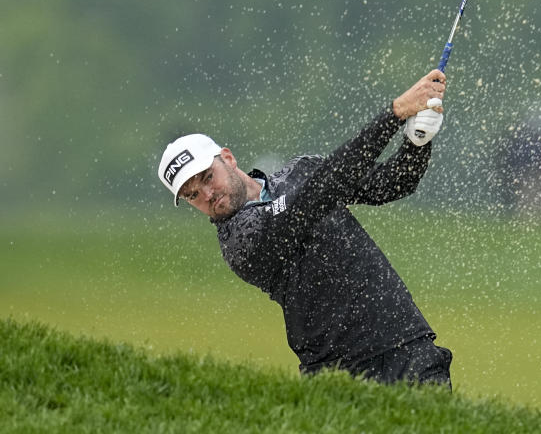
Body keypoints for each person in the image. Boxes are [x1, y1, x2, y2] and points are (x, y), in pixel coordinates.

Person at [156, 69, 452, 387]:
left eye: (206, 177)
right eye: (192, 195)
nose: (207, 195)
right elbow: (317, 193)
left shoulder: (300, 171)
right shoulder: (240, 241)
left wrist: (417, 140)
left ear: (228, 158)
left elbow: (392, 183)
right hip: (340, 377)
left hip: (408, 345)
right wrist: (394, 114)